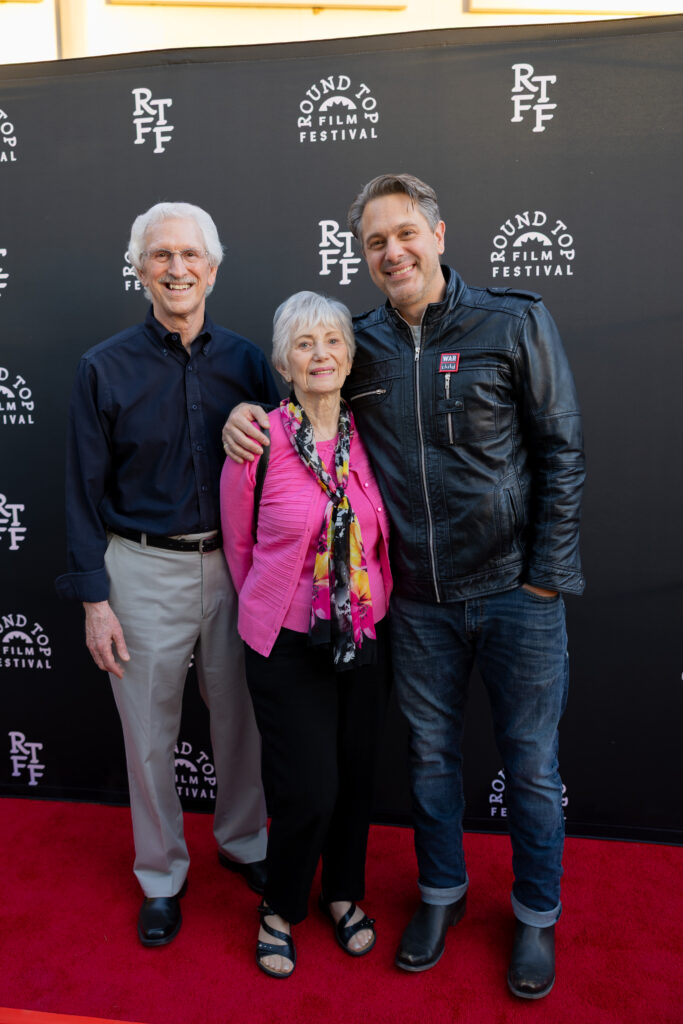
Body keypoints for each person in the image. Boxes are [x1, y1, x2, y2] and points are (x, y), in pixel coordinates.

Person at [222, 174, 585, 999]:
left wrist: (543, 580)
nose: (393, 251)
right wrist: (237, 417)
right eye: (375, 242)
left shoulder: (514, 320)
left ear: (438, 234)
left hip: (513, 593)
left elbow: (562, 452)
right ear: (365, 256)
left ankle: (534, 914)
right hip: (416, 602)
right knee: (428, 763)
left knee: (529, 764)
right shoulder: (357, 344)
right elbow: (296, 408)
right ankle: (439, 897)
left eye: (405, 234)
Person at [56, 202, 281, 947]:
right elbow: (81, 491)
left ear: (212, 269)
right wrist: (95, 599)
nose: (176, 268)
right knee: (147, 735)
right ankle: (160, 873)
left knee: (240, 719)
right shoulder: (103, 367)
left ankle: (245, 842)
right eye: (160, 256)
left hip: (235, 566)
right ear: (140, 268)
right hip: (139, 568)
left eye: (190, 255)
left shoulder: (251, 363)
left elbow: (287, 472)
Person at [220, 291, 392, 978]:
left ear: (349, 357)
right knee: (309, 788)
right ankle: (279, 906)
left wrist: (367, 611)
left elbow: (384, 544)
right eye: (303, 344)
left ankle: (343, 893)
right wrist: (276, 609)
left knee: (356, 778)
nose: (320, 354)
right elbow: (238, 548)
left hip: (366, 637)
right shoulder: (256, 441)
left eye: (331, 341)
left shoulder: (371, 436)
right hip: (287, 643)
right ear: (282, 364)